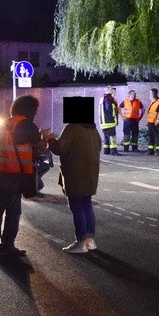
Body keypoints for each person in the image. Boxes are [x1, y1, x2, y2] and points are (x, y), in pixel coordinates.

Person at [0, 95, 46, 258]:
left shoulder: (5, 123)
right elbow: (41, 146)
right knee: (13, 211)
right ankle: (7, 245)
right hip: (15, 175)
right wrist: (46, 137)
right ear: (30, 110)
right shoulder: (27, 126)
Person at [44, 96, 102, 254]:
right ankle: (90, 241)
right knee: (87, 206)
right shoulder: (92, 129)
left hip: (75, 175)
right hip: (90, 175)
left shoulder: (71, 128)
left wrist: (50, 139)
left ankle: (80, 242)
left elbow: (60, 149)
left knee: (76, 208)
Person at [99, 86, 119, 155]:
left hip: (103, 123)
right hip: (110, 122)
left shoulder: (102, 98)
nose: (113, 91)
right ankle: (114, 152)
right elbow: (110, 109)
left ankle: (106, 151)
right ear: (109, 90)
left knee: (106, 138)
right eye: (112, 90)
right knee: (112, 137)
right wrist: (115, 118)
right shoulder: (109, 99)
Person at [145, 88, 159, 155]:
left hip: (157, 123)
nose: (149, 95)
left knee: (157, 137)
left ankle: (158, 151)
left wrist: (157, 120)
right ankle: (150, 151)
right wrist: (148, 122)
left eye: (150, 93)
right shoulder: (152, 102)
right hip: (150, 123)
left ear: (153, 94)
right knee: (150, 136)